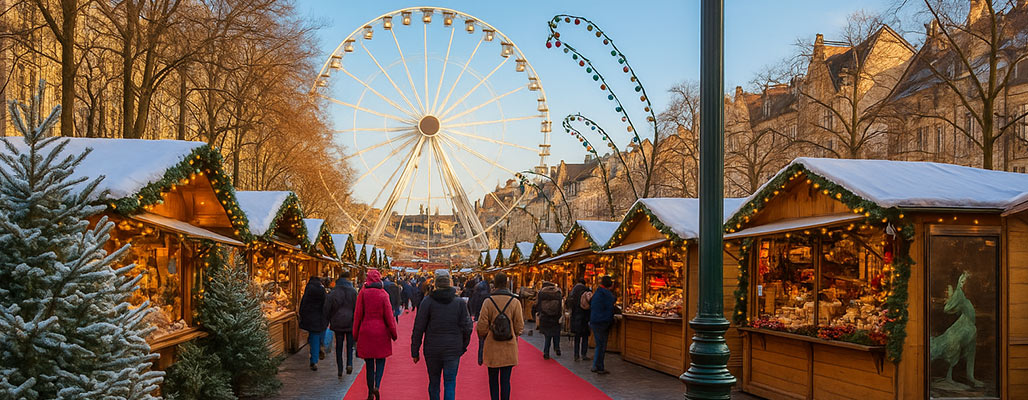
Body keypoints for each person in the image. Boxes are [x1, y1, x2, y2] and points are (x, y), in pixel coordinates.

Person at [411, 269, 473, 400]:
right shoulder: (459, 302)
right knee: (450, 382)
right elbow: (467, 327)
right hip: (453, 347)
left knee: (434, 382)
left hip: (432, 348)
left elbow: (419, 327)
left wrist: (415, 350)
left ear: (436, 285)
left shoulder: (427, 301)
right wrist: (463, 345)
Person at [476, 272, 523, 400]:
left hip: (492, 345)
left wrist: (484, 334)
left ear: (495, 284)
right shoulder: (515, 302)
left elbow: (481, 325)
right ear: (506, 284)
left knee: (493, 379)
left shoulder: (488, 302)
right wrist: (514, 332)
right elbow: (519, 326)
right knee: (506, 380)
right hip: (509, 345)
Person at [354, 270, 398, 399]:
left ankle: (370, 391)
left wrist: (355, 334)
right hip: (381, 332)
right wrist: (394, 333)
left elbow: (357, 315)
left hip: (366, 330)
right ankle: (376, 386)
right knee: (380, 361)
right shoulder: (383, 294)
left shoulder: (362, 293)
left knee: (369, 363)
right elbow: (389, 317)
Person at [325, 270, 358, 377]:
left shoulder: (334, 291)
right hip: (350, 321)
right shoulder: (353, 291)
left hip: (337, 321)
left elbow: (327, 308)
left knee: (339, 346)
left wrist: (328, 319)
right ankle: (349, 364)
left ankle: (340, 368)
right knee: (349, 345)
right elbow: (357, 308)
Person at [298, 276, 330, 371]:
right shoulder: (322, 290)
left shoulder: (308, 290)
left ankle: (314, 359)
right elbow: (326, 304)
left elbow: (303, 305)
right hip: (321, 318)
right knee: (319, 336)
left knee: (313, 338)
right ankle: (319, 349)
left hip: (310, 318)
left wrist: (302, 316)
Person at [589, 275, 616, 374]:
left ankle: (596, 365)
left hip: (595, 320)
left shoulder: (597, 292)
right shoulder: (607, 294)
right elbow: (612, 303)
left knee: (599, 344)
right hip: (603, 321)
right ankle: (598, 366)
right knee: (601, 345)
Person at [535, 281, 563, 359]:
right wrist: (559, 315)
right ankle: (557, 348)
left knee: (548, 335)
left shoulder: (541, 293)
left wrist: (539, 313)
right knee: (556, 333)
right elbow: (560, 306)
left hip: (545, 316)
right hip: (555, 316)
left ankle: (546, 352)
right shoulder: (558, 292)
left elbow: (538, 305)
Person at [566, 277, 593, 362]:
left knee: (577, 337)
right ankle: (584, 354)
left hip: (575, 316)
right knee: (585, 336)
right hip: (585, 316)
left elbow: (568, 303)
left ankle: (576, 355)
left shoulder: (573, 292)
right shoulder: (587, 290)